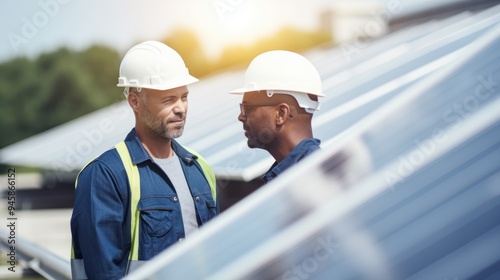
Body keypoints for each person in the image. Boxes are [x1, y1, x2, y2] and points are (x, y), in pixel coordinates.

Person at [70, 41, 219, 280]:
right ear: (135, 102)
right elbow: (103, 273)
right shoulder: (106, 174)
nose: (181, 108)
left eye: (184, 97)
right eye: (169, 100)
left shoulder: (200, 168)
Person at [230, 50, 323, 183]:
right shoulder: (294, 176)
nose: (240, 117)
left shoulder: (315, 180)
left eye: (248, 108)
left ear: (281, 114)